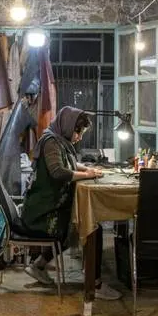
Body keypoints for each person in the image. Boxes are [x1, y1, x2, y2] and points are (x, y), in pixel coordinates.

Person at [20, 106, 122, 300]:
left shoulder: (59, 141)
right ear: (68, 126)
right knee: (90, 227)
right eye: (78, 132)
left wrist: (89, 170)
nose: (79, 137)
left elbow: (69, 164)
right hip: (42, 213)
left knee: (82, 225)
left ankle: (39, 265)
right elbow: (58, 172)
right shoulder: (51, 142)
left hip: (49, 206)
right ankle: (95, 284)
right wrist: (87, 175)